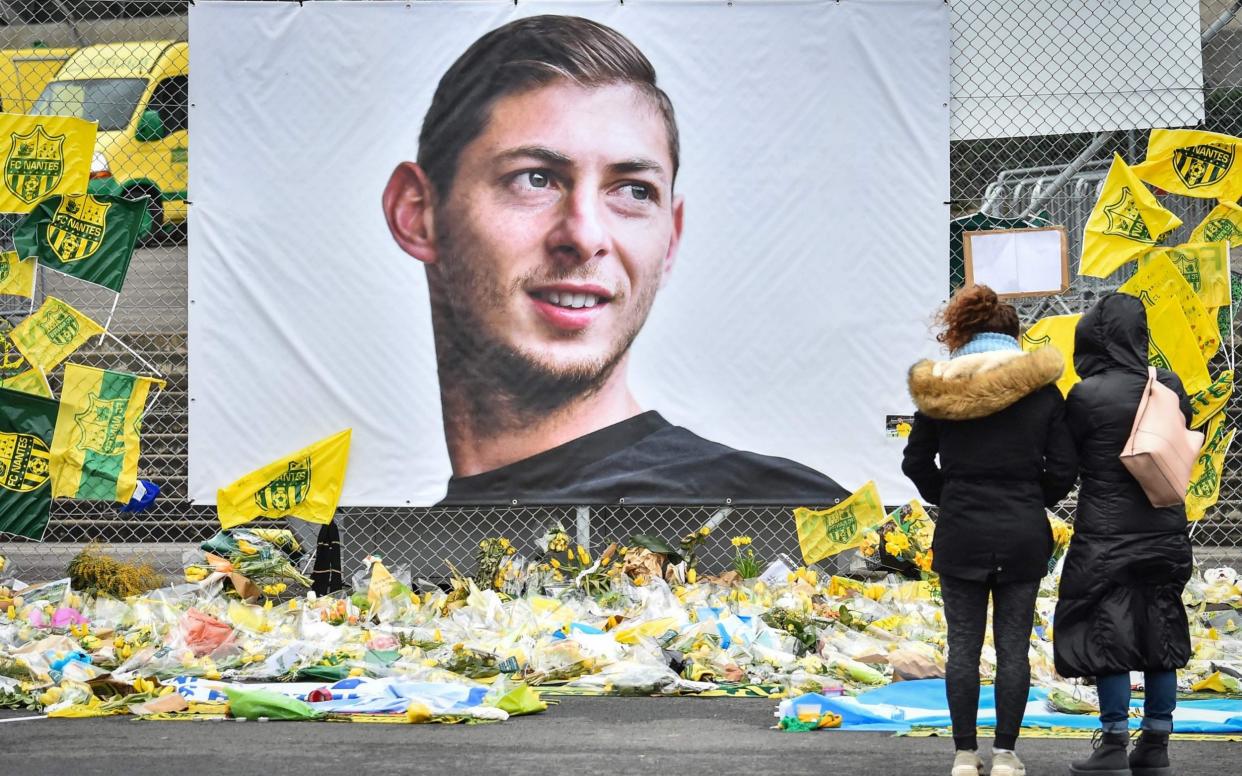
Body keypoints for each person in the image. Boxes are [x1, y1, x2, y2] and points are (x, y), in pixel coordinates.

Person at [381, 15, 847, 505]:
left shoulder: (785, 519)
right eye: (534, 179)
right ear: (417, 215)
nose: (584, 235)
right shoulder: (401, 562)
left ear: (670, 241)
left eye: (633, 191)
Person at [902, 285, 1077, 776]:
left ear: (963, 332)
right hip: (1023, 529)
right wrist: (1031, 496)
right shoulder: (1041, 390)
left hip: (960, 529)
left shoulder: (940, 390)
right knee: (1013, 647)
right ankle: (1005, 754)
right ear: (1012, 334)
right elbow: (1064, 466)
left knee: (962, 644)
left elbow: (915, 461)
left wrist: (948, 494)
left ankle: (962, 755)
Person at [1055, 293, 1193, 776]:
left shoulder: (1087, 395)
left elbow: (1066, 463)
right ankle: (1156, 744)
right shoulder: (1168, 385)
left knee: (1106, 633)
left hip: (1105, 535)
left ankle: (1112, 742)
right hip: (1166, 530)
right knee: (1162, 631)